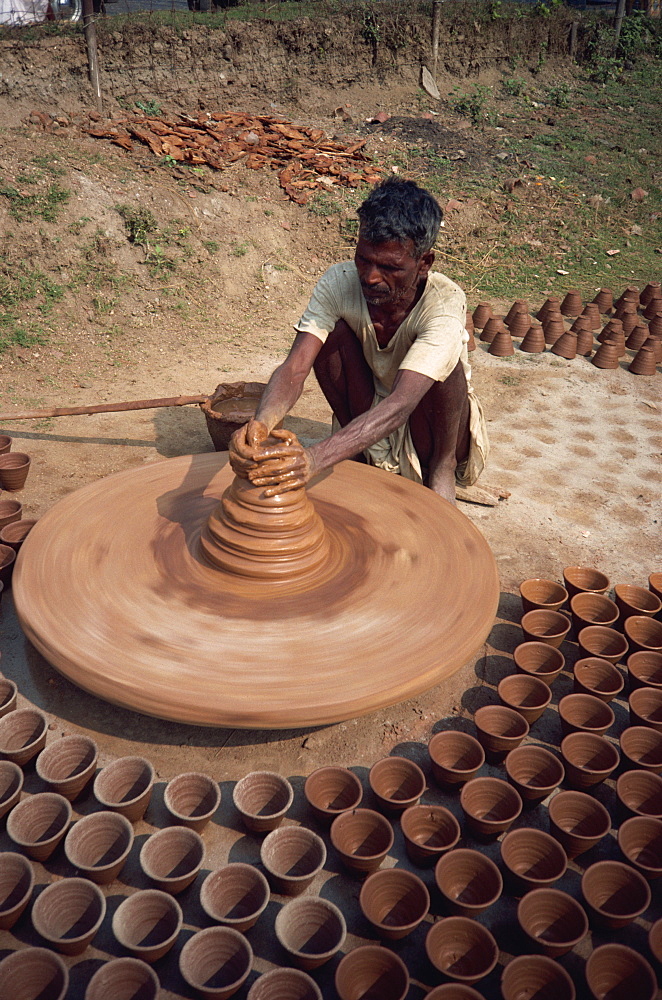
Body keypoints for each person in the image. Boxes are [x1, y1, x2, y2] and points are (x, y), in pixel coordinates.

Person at [229, 176, 488, 505]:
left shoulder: (444, 305)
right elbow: (295, 368)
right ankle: (360, 454)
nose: (371, 277)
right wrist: (262, 423)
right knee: (330, 336)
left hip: (428, 422)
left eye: (390, 267)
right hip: (366, 406)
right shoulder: (339, 282)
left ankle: (441, 467)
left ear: (424, 264)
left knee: (446, 371)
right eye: (364, 259)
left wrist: (313, 459)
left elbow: (402, 404)